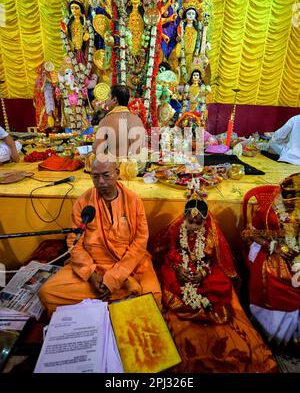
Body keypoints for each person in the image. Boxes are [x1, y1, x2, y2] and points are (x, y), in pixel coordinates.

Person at [153, 192, 277, 373]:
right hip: (183, 266)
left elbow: (214, 260)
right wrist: (179, 268)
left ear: (204, 221)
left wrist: (203, 272)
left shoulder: (211, 234)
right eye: (190, 222)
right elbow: (171, 253)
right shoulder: (176, 230)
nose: (193, 226)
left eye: (198, 223)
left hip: (205, 268)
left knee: (220, 284)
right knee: (170, 279)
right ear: (184, 219)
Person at [39, 157, 162, 317]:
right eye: (95, 176)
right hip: (94, 265)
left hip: (130, 264)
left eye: (106, 175)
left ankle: (114, 295)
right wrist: (90, 274)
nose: (101, 182)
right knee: (48, 293)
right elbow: (74, 242)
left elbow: (140, 242)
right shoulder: (83, 202)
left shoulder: (133, 200)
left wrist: (115, 277)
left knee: (153, 297)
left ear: (117, 173)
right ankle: (122, 297)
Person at [241, 172, 300, 354]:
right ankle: (276, 335)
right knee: (280, 278)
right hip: (271, 251)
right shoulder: (269, 212)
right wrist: (275, 246)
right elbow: (250, 234)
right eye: (293, 205)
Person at [92, 84, 147, 162]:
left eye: (108, 97)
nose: (106, 101)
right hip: (138, 167)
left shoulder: (106, 121)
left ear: (114, 100)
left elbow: (96, 150)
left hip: (117, 169)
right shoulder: (137, 119)